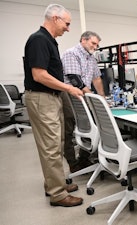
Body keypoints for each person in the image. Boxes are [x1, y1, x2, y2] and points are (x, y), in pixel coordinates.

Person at [23, 4, 84, 207]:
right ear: (55, 18)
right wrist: (68, 88)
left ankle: (54, 184)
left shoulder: (49, 41)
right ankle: (58, 194)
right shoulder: (39, 40)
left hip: (50, 97)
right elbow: (39, 75)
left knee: (56, 144)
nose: (68, 28)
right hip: (42, 98)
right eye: (66, 23)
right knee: (51, 147)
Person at [61, 31, 105, 173]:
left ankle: (83, 159)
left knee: (87, 126)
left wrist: (102, 97)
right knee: (68, 130)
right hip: (69, 94)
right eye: (93, 43)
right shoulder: (71, 53)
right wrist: (93, 96)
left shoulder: (91, 58)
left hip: (83, 94)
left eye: (97, 45)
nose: (95, 47)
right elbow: (75, 79)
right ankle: (73, 164)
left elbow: (97, 78)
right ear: (83, 40)